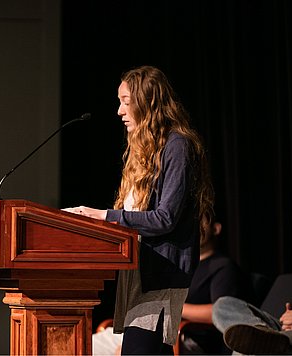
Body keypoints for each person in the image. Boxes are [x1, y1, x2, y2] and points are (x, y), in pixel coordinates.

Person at [64, 65, 214, 355]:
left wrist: (104, 215)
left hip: (161, 276)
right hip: (139, 274)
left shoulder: (178, 146)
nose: (119, 111)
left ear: (147, 103)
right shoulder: (145, 151)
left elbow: (165, 218)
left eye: (126, 102)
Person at [179, 220, 253, 354]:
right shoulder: (183, 267)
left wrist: (176, 307)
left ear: (216, 229)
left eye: (201, 221)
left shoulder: (223, 266)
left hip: (203, 342)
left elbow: (221, 311)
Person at [212, 296, 292, 354]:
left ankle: (264, 337)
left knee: (249, 345)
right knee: (222, 305)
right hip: (284, 327)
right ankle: (262, 330)